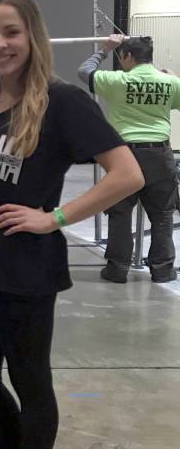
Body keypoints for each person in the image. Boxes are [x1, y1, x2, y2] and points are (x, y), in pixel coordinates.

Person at [0, 0, 143, 449]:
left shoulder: (62, 101)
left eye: (11, 32)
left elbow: (127, 174)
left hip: (26, 271)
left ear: (32, 36)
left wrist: (53, 218)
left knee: (30, 381)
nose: (0, 44)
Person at [78, 35, 180, 283]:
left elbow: (84, 71)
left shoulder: (117, 81)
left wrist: (105, 49)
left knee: (120, 213)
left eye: (120, 56)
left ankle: (117, 269)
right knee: (163, 215)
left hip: (125, 156)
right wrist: (174, 78)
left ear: (128, 56)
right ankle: (162, 270)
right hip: (160, 154)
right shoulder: (169, 82)